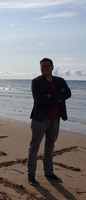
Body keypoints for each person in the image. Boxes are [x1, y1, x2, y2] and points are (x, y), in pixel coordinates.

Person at [27, 58, 71, 186]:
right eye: (42, 67)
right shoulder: (36, 82)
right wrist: (58, 96)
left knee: (50, 148)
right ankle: (31, 175)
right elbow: (39, 99)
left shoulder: (60, 81)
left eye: (46, 66)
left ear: (52, 67)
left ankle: (49, 172)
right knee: (34, 148)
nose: (44, 69)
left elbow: (68, 93)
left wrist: (52, 95)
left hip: (55, 119)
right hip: (40, 119)